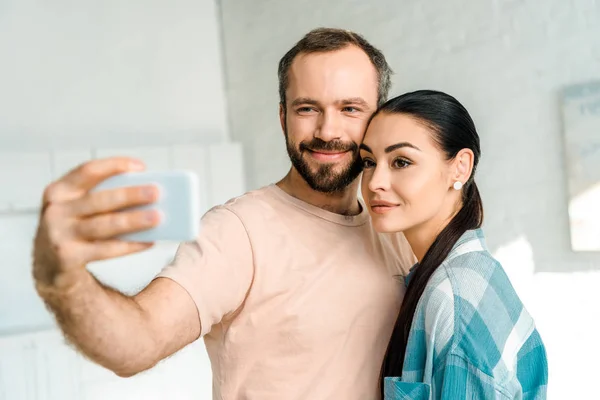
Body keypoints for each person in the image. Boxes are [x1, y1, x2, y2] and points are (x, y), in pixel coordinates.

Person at [32, 28, 415, 400]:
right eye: (307, 108)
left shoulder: (393, 229)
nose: (327, 129)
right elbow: (138, 342)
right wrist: (62, 280)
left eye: (349, 108)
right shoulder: (238, 232)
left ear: (378, 121)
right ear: (283, 118)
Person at [359, 90, 548, 399]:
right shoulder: (456, 273)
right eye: (368, 161)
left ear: (460, 167)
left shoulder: (454, 297)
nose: (375, 182)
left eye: (401, 162)